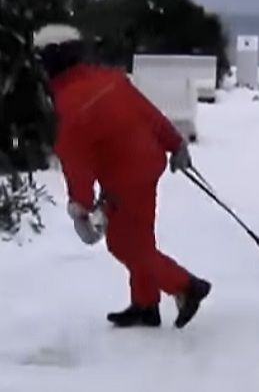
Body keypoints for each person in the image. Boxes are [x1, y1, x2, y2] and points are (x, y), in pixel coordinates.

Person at [34, 24, 211, 329]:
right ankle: (145, 304)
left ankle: (186, 286)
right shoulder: (109, 79)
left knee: (125, 245)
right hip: (148, 162)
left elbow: (76, 164)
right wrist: (174, 143)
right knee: (139, 237)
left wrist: (81, 208)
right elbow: (148, 112)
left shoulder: (66, 106)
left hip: (124, 176)